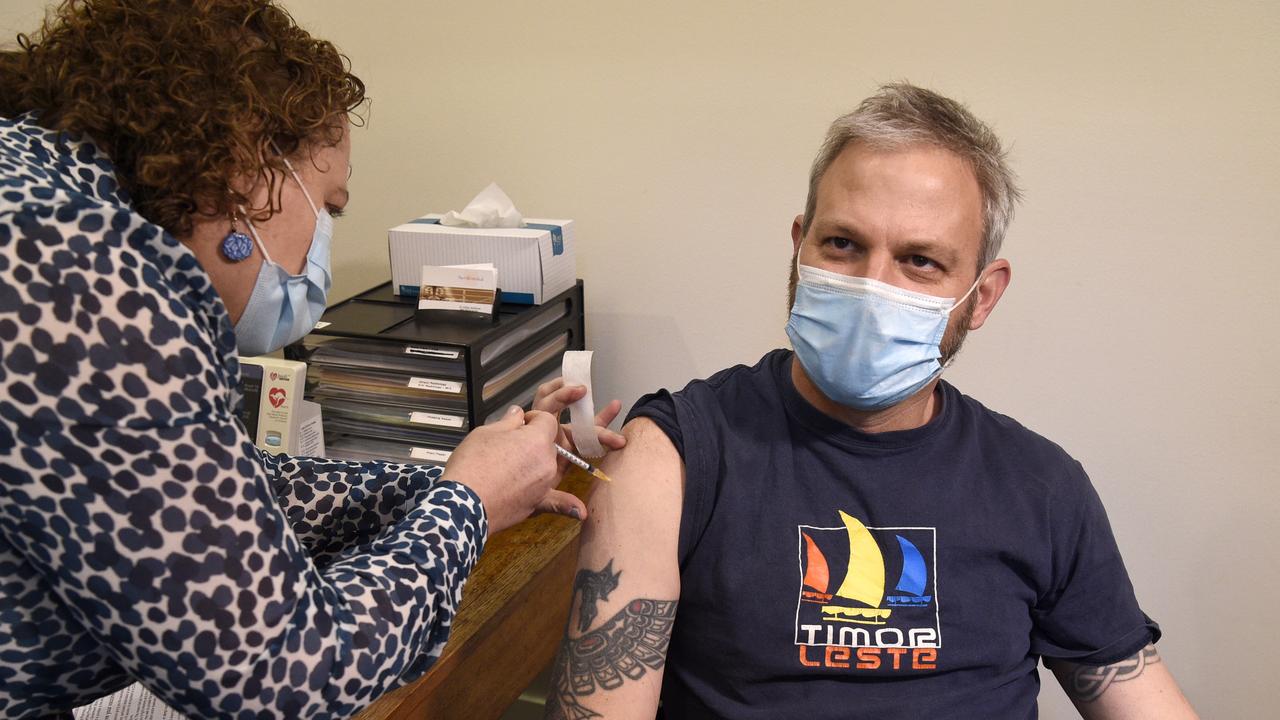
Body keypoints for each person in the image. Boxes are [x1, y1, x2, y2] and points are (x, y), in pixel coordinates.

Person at [0, 1, 619, 717]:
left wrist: (449, 483)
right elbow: (282, 673)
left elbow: (213, 494)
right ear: (248, 165)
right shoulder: (85, 273)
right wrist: (467, 506)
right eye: (330, 205)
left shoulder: (40, 209)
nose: (322, 240)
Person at [546, 84, 1198, 719]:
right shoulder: (678, 457)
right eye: (843, 244)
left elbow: (1138, 694)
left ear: (983, 295)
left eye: (920, 261)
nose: (872, 288)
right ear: (799, 246)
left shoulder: (1041, 488)